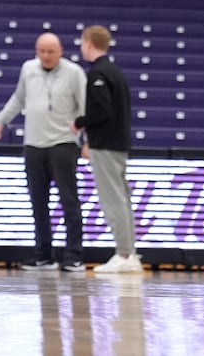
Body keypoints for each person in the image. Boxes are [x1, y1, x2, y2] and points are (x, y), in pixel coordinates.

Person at [0, 32, 88, 272]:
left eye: (50, 52)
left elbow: (85, 107)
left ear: (60, 51)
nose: (45, 56)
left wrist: (87, 140)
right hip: (34, 144)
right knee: (38, 202)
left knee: (69, 201)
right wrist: (0, 120)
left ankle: (73, 254)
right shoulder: (28, 69)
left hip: (63, 143)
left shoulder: (74, 73)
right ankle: (43, 254)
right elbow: (18, 98)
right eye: (41, 51)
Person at [75, 25, 140, 274]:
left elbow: (102, 111)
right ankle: (129, 252)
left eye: (83, 42)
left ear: (90, 43)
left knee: (113, 200)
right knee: (122, 199)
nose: (81, 47)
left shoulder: (99, 73)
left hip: (107, 145)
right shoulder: (116, 72)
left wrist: (80, 124)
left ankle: (124, 254)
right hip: (118, 143)